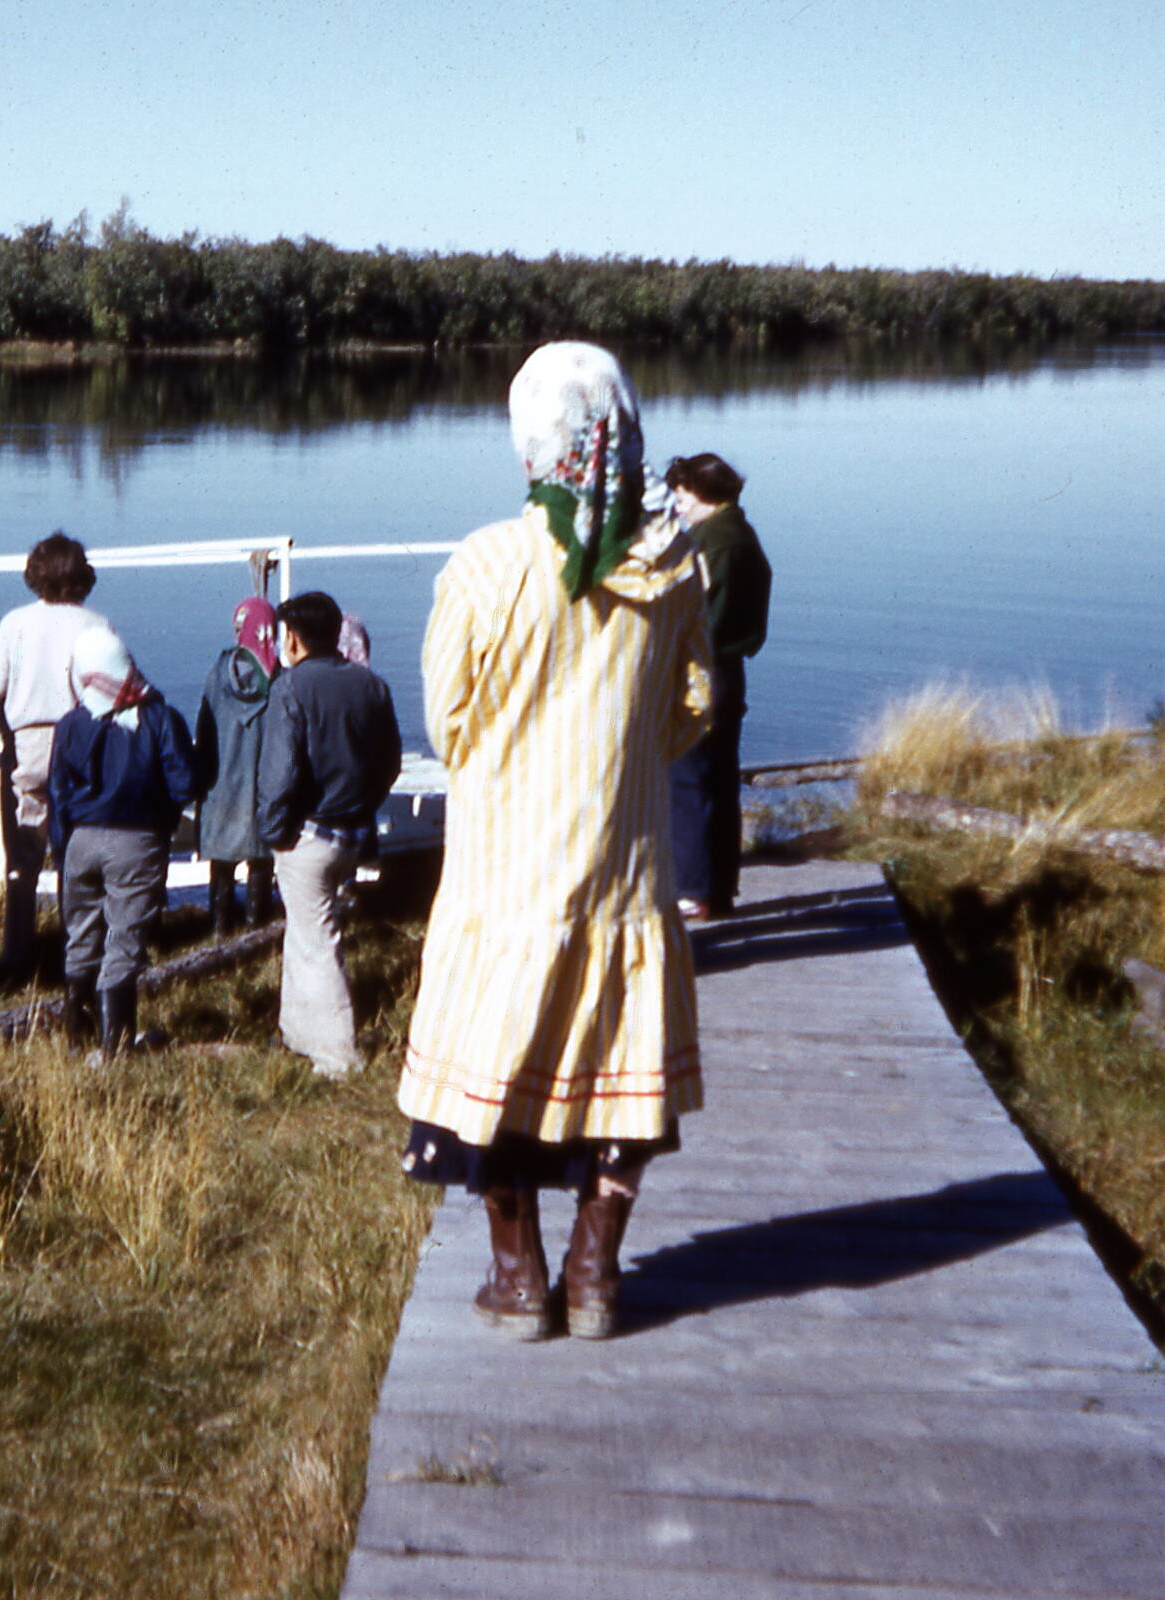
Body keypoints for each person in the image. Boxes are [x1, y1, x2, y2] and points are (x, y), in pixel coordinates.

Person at [398, 341, 712, 1343]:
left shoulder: (486, 564)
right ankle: (596, 1269)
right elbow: (692, 709)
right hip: (621, 870)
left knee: (500, 1075)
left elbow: (449, 720)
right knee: (623, 1081)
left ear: (529, 446)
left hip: (505, 880)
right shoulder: (673, 567)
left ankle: (519, 1273)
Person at [256, 590, 403, 1081]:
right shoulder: (371, 686)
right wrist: (364, 806)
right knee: (307, 933)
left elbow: (280, 772)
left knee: (316, 940)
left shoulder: (292, 687)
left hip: (308, 834)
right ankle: (297, 1033)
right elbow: (390, 762)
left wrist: (274, 831)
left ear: (293, 637)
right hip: (353, 831)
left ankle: (337, 1056)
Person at [47, 626, 196, 1054]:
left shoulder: (72, 724)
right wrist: (163, 817)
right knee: (124, 942)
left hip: (80, 841)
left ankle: (77, 1039)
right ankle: (114, 1049)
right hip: (139, 841)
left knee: (81, 938)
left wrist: (63, 852)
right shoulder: (159, 717)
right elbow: (185, 781)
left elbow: (58, 793)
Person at [0, 532, 106, 981]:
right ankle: (79, 950)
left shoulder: (14, 623)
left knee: (22, 856)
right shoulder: (96, 624)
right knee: (75, 850)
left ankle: (17, 955)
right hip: (81, 742)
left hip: (28, 745)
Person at [664, 452, 771, 919]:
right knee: (722, 781)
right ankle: (721, 888)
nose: (677, 505)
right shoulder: (741, 533)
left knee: (687, 780)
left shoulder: (709, 542)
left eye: (682, 496)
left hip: (702, 674)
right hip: (729, 673)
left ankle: (693, 890)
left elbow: (692, 610)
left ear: (701, 494)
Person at [193, 598, 280, 934]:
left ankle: (218, 932)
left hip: (220, 786)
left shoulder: (217, 673)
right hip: (263, 788)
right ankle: (257, 932)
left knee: (222, 865)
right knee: (261, 862)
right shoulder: (279, 679)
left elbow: (204, 728)